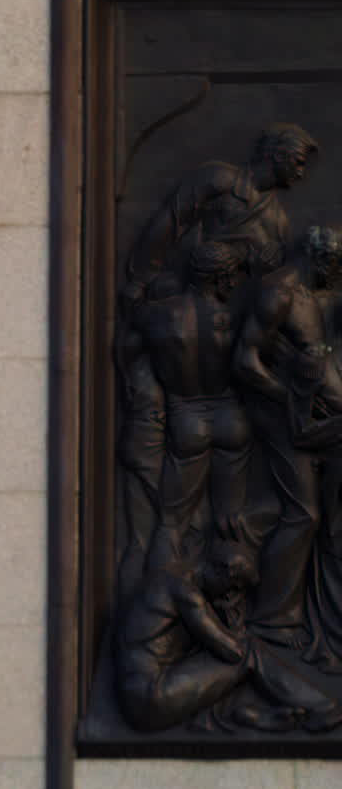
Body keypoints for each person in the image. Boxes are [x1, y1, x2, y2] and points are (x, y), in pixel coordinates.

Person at [234, 225, 342, 646]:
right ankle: (271, 619)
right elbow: (245, 362)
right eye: (333, 267)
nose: (334, 277)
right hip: (278, 416)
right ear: (320, 258)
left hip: (306, 414)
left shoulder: (311, 296)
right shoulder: (278, 293)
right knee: (303, 514)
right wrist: (290, 399)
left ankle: (319, 607)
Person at [115, 543, 342, 733]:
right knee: (250, 652)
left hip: (138, 697)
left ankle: (243, 714)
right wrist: (231, 618)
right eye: (234, 586)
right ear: (221, 570)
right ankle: (322, 708)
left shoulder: (166, 578)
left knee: (220, 661)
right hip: (152, 697)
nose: (231, 595)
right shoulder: (186, 593)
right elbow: (233, 652)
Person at [124, 240, 249, 572]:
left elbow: (128, 353)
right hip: (231, 420)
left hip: (187, 419)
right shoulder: (235, 317)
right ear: (217, 277)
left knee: (171, 523)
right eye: (230, 276)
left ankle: (160, 591)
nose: (235, 284)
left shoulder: (157, 315)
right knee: (231, 521)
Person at [127, 123, 318, 291]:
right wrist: (140, 281)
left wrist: (264, 264)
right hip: (183, 292)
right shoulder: (219, 179)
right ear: (278, 155)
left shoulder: (279, 221)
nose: (300, 173)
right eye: (298, 162)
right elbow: (169, 222)